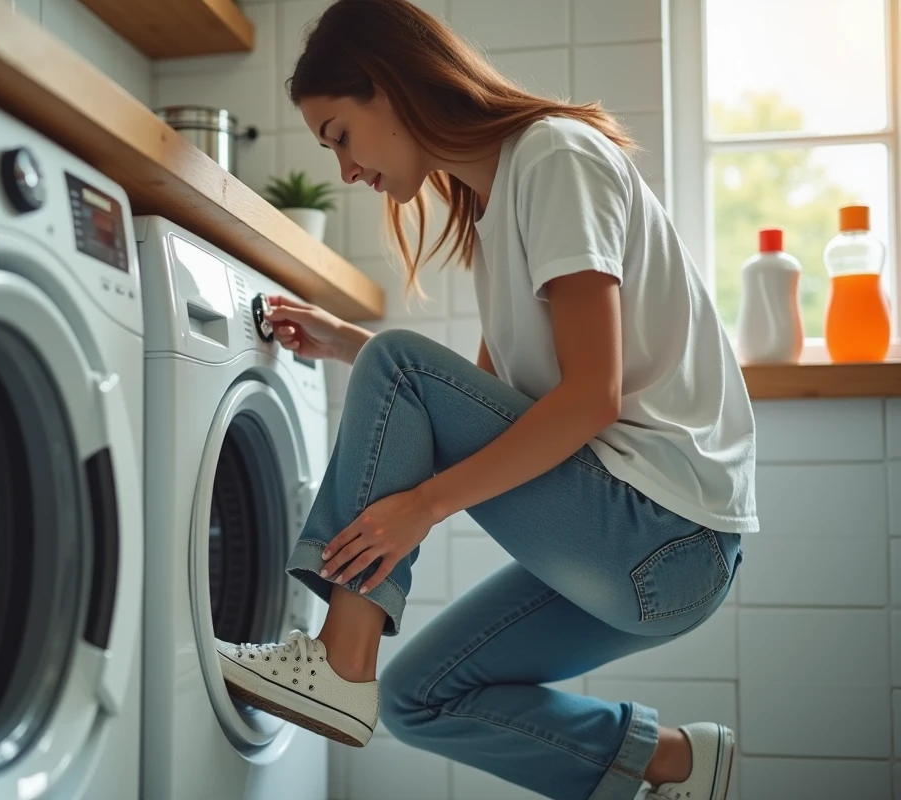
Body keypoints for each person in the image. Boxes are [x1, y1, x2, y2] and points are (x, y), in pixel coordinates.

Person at [214, 1, 754, 798]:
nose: (345, 171)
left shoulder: (554, 159)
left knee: (399, 365)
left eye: (339, 136)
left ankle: (338, 658)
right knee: (416, 699)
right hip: (656, 553)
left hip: (668, 537)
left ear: (389, 89)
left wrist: (424, 505)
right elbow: (480, 405)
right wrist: (344, 344)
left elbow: (588, 400)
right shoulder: (501, 208)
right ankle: (678, 761)